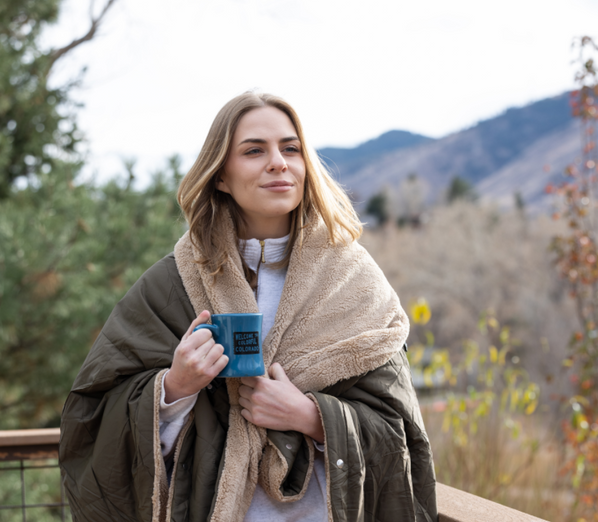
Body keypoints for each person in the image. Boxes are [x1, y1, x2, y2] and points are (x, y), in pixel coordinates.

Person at [59, 92, 438, 522]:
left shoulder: (356, 283)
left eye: (290, 148)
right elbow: (92, 413)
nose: (278, 162)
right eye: (254, 150)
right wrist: (174, 389)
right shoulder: (173, 283)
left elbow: (400, 434)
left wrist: (312, 418)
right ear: (221, 175)